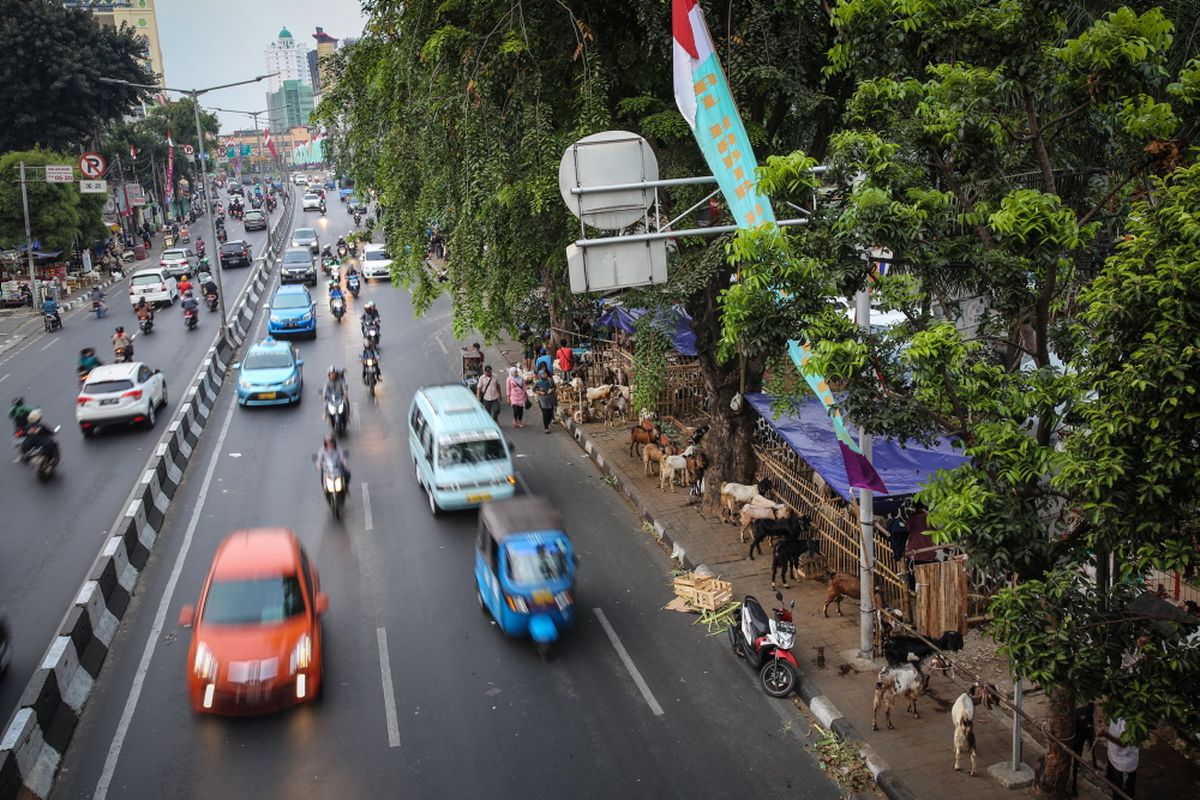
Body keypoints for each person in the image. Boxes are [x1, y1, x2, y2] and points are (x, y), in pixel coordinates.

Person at [1097, 716, 1139, 799]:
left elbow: (1123, 743)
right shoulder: (1116, 707)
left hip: (1123, 764)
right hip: (1113, 757)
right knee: (1114, 789)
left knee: (1122, 795)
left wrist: (1106, 734)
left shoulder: (1128, 719)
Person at [534, 368, 558, 433]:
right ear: (540, 375)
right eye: (543, 374)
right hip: (543, 399)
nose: (545, 375)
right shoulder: (538, 382)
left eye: (545, 373)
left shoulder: (550, 380)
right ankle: (546, 428)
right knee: (545, 413)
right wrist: (540, 392)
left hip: (550, 399)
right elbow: (534, 389)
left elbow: (554, 387)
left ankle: (548, 422)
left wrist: (552, 389)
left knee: (550, 413)